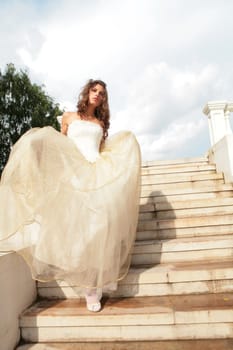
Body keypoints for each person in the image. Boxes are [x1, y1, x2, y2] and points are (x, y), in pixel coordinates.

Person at [0, 79, 141, 312]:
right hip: (74, 173)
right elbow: (60, 144)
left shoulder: (100, 122)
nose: (98, 95)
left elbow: (101, 148)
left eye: (102, 93)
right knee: (77, 228)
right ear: (86, 93)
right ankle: (87, 280)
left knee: (98, 226)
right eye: (94, 91)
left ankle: (92, 287)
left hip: (96, 172)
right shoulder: (68, 117)